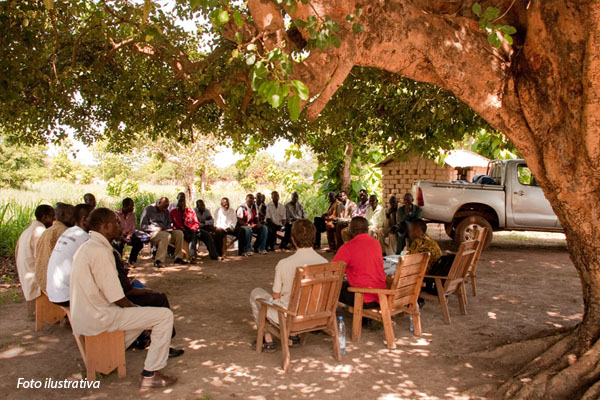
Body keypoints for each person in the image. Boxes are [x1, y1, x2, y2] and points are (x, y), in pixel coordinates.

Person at [70, 208, 178, 388]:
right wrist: (136, 310)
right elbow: (117, 297)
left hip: (85, 316)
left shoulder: (88, 246)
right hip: (99, 317)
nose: (120, 225)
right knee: (163, 316)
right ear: (105, 226)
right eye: (116, 222)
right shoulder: (101, 252)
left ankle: (109, 356)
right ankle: (150, 374)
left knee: (141, 316)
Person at [249, 219, 327, 352]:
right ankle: (294, 335)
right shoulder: (325, 262)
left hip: (289, 317)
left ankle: (267, 339)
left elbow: (275, 296)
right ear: (314, 238)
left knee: (256, 293)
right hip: (316, 315)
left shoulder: (284, 264)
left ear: (293, 239)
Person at [111, 247, 185, 358]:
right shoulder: (109, 253)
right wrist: (144, 291)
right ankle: (163, 345)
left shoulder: (106, 250)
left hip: (118, 294)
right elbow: (127, 291)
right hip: (120, 299)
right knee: (159, 298)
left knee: (149, 293)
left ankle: (142, 338)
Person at [333, 217, 387, 308]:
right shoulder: (376, 243)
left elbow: (333, 271)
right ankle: (365, 319)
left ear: (352, 231)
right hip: (381, 294)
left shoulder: (347, 247)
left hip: (362, 297)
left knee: (331, 286)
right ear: (367, 230)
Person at [46, 204, 92, 307]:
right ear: (84, 220)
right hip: (66, 296)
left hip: (54, 292)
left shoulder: (69, 232)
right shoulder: (85, 238)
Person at [15, 205, 55, 313]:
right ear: (44, 217)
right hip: (34, 279)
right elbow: (43, 260)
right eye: (52, 217)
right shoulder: (40, 232)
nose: (54, 220)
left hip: (26, 276)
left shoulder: (27, 231)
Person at [34, 203, 76, 292]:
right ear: (63, 214)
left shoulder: (46, 231)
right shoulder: (64, 232)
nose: (75, 219)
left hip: (42, 282)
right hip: (54, 285)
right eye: (73, 215)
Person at [140, 197, 186, 268]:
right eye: (163, 207)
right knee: (165, 236)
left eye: (166, 207)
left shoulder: (166, 211)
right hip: (152, 233)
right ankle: (159, 260)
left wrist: (168, 228)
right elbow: (143, 226)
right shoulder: (148, 209)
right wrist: (157, 229)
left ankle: (178, 257)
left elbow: (168, 223)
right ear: (158, 203)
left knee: (179, 233)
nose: (165, 209)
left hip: (165, 231)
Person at [115, 198, 144, 267]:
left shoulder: (132, 215)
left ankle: (131, 260)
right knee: (118, 244)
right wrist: (122, 237)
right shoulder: (116, 214)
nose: (133, 208)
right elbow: (116, 228)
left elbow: (132, 228)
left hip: (128, 234)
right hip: (119, 235)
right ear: (125, 206)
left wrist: (129, 236)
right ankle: (119, 262)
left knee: (139, 243)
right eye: (131, 206)